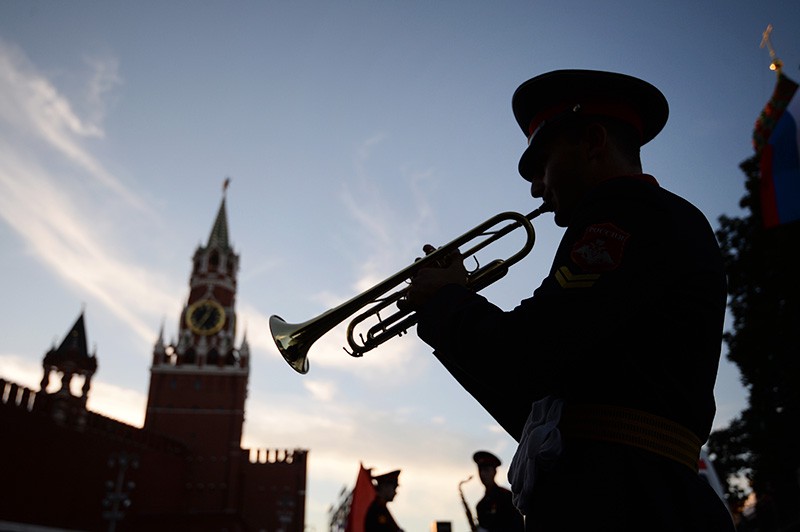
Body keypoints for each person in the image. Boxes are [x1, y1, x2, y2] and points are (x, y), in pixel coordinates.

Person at [403, 70, 735, 531]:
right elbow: (539, 411)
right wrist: (441, 316)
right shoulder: (640, 219)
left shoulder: (626, 212)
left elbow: (527, 354)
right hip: (626, 494)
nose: (536, 188)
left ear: (593, 141)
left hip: (628, 502)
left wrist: (449, 302)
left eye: (541, 165)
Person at [473, 451, 524, 532]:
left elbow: (518, 526)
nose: (482, 474)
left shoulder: (507, 496)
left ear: (494, 472)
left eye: (486, 470)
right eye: (480, 470)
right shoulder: (480, 505)